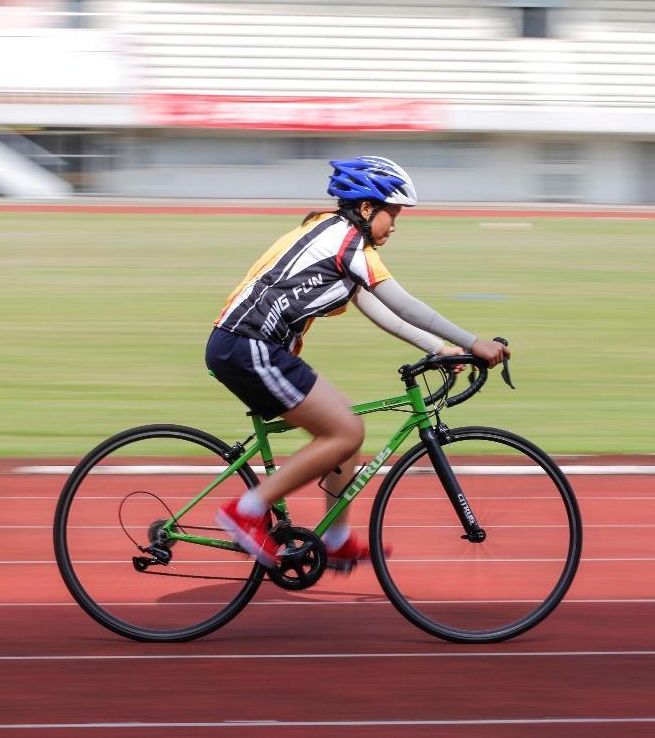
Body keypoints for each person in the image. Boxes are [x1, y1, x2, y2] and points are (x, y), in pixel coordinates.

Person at [205, 156, 510, 568]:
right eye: (394, 213)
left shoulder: (335, 236)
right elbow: (403, 303)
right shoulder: (346, 242)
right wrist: (474, 342)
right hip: (248, 345)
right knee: (345, 431)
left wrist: (438, 347)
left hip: (250, 347)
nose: (396, 225)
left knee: (346, 431)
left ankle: (335, 539)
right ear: (367, 209)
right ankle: (246, 510)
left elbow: (377, 306)